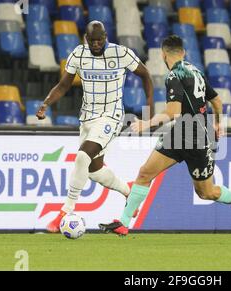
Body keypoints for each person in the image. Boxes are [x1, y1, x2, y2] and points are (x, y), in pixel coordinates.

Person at [99, 35, 231, 236]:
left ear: (163, 54)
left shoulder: (174, 76)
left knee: (205, 192)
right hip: (181, 133)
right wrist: (218, 123)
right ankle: (124, 222)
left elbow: (172, 111)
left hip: (197, 137)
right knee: (145, 173)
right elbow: (217, 100)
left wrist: (146, 123)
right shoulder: (196, 71)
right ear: (183, 53)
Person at [36, 21, 154, 232]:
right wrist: (46, 103)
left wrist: (150, 107)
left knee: (82, 156)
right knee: (93, 169)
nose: (97, 44)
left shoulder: (121, 53)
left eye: (101, 40)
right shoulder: (78, 54)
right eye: (93, 40)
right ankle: (129, 191)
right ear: (85, 38)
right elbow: (64, 84)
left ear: (106, 37)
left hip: (111, 116)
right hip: (87, 117)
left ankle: (65, 211)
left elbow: (145, 74)